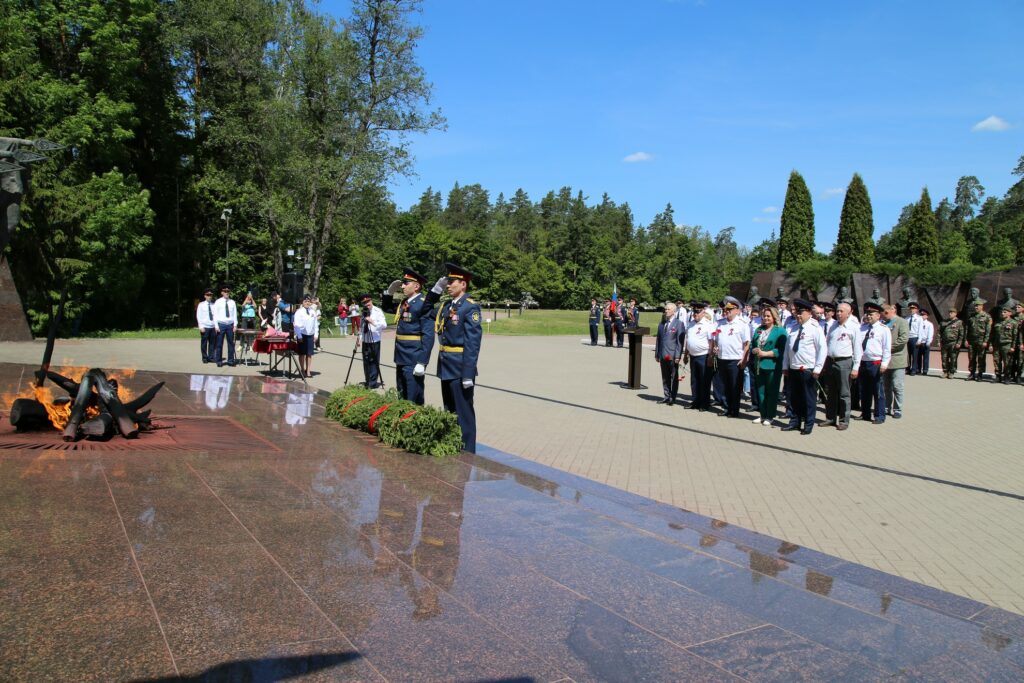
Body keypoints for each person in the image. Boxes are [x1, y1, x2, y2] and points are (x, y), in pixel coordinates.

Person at [435, 263, 482, 453]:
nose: (448, 285)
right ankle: (454, 446)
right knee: (450, 410)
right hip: (446, 364)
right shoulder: (448, 306)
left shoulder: (470, 308)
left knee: (464, 412)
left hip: (460, 367)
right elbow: (426, 309)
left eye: (451, 281)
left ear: (463, 284)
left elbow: (473, 343)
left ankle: (468, 452)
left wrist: (468, 373)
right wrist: (434, 290)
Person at [389, 268, 438, 405]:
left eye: (406, 283)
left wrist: (422, 362)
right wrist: (388, 293)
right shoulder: (405, 302)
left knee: (413, 396)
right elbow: (387, 308)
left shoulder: (423, 304)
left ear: (416, 286)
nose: (403, 286)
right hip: (401, 355)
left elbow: (428, 336)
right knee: (402, 393)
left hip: (413, 357)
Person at [781, 299, 827, 434]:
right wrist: (785, 365)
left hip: (808, 368)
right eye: (797, 312)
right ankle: (794, 421)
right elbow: (787, 349)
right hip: (793, 368)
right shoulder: (793, 327)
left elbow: (822, 350)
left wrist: (818, 368)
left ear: (809, 313)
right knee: (794, 398)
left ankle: (808, 423)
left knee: (808, 398)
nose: (798, 315)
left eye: (801, 312)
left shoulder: (815, 328)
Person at [749, 300, 787, 426]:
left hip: (772, 365)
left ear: (774, 317)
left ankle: (770, 416)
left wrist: (765, 354)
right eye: (764, 316)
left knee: (771, 391)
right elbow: (753, 344)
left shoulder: (779, 331)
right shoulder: (759, 329)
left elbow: (780, 350)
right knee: (760, 391)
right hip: (759, 365)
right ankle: (762, 414)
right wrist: (754, 350)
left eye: (768, 316)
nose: (765, 318)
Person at [712, 296, 750, 418]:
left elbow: (747, 344)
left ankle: (734, 410)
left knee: (735, 387)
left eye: (730, 309)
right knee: (725, 386)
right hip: (722, 358)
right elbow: (716, 339)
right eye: (726, 309)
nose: (727, 311)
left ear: (737, 310)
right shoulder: (720, 323)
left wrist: (744, 359)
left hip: (735, 360)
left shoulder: (742, 324)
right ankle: (727, 408)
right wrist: (715, 347)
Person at [824, 302, 859, 430]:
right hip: (831, 361)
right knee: (831, 392)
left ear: (849, 313)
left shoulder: (854, 327)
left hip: (844, 362)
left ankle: (844, 420)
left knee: (844, 393)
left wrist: (856, 367)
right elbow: (827, 343)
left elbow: (857, 349)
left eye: (841, 311)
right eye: (837, 311)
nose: (838, 313)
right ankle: (830, 418)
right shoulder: (833, 326)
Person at [857, 302, 891, 424]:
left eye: (871, 314)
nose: (869, 316)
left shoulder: (883, 329)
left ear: (878, 315)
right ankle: (865, 413)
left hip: (876, 363)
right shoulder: (862, 328)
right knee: (864, 390)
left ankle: (879, 415)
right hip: (863, 362)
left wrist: (884, 364)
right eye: (867, 313)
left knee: (878, 391)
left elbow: (887, 348)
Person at [683, 302, 714, 410]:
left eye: (697, 311)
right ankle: (695, 401)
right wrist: (686, 354)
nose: (695, 314)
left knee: (704, 381)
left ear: (703, 312)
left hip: (704, 356)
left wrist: (710, 356)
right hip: (692, 356)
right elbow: (688, 340)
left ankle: (704, 404)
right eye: (694, 311)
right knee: (694, 380)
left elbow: (711, 342)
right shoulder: (691, 324)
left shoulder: (708, 324)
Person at [654, 302, 685, 404]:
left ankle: (672, 397)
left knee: (674, 377)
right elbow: (659, 340)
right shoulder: (662, 324)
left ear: (674, 311)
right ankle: (666, 396)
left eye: (668, 309)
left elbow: (679, 342)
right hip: (663, 355)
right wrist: (657, 354)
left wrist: (677, 356)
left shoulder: (679, 324)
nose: (666, 311)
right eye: (665, 309)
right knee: (665, 377)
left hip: (672, 355)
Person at [881, 304, 908, 419]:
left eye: (883, 314)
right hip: (885, 361)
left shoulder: (902, 322)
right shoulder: (883, 324)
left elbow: (903, 338)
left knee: (897, 386)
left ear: (889, 311)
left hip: (897, 359)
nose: (883, 316)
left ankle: (897, 409)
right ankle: (886, 407)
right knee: (886, 386)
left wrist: (888, 347)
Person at [355, 293, 387, 388]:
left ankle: (372, 383)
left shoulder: (378, 311)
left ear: (371, 300)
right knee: (366, 361)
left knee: (374, 361)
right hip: (366, 340)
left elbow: (384, 325)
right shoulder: (363, 313)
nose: (367, 304)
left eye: (368, 301)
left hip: (375, 340)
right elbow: (361, 327)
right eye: (364, 302)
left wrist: (372, 321)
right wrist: (359, 339)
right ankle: (367, 380)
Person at [213, 284, 239, 367]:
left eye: (228, 291)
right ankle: (219, 361)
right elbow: (215, 315)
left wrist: (235, 325)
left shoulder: (232, 302)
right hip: (221, 324)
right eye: (225, 291)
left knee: (230, 343)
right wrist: (216, 326)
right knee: (219, 344)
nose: (226, 292)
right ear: (222, 292)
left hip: (230, 325)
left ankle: (230, 360)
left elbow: (235, 314)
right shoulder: (218, 302)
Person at [991, 305, 1019, 384]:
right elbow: (992, 334)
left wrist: (1013, 347)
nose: (1002, 313)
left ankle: (1007, 377)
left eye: (1004, 312)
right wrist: (990, 344)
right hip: (997, 344)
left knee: (1007, 362)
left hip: (1007, 345)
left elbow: (1015, 336)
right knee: (996, 361)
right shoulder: (997, 321)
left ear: (1009, 313)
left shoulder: (1013, 323)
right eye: (1002, 312)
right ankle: (998, 376)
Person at [965, 299, 991, 381]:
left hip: (981, 340)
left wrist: (985, 341)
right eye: (975, 306)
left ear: (982, 306)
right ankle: (972, 373)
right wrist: (966, 339)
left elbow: (988, 330)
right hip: (972, 340)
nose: (976, 307)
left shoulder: (987, 316)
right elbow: (967, 329)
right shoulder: (971, 316)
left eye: (977, 306)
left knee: (981, 357)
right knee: (971, 357)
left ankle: (980, 374)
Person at [293, 294, 317, 377]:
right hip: (302, 335)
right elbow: (296, 325)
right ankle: (302, 370)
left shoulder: (312, 311)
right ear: (302, 302)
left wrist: (316, 335)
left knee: (309, 354)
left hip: (310, 335)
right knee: (302, 354)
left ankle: (308, 371)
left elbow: (315, 324)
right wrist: (299, 336)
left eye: (309, 301)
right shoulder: (299, 312)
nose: (307, 303)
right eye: (305, 301)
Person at [939, 306, 965, 378]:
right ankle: (945, 371)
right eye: (949, 313)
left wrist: (959, 343)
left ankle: (951, 372)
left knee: (953, 358)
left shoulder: (959, 322)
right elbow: (939, 332)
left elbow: (961, 334)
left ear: (955, 314)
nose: (950, 314)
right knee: (944, 358)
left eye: (952, 313)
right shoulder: (944, 322)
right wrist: (938, 341)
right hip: (944, 343)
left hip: (953, 343)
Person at [196, 287, 216, 363]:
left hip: (212, 327)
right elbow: (198, 316)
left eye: (210, 295)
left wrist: (216, 326)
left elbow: (216, 316)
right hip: (205, 327)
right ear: (205, 296)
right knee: (204, 343)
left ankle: (211, 357)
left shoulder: (214, 305)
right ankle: (204, 357)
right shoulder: (201, 305)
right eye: (208, 295)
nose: (209, 296)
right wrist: (201, 326)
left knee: (212, 343)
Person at [904, 302, 923, 375]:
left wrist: (919, 339)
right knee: (907, 355)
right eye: (910, 308)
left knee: (915, 355)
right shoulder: (907, 318)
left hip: (915, 337)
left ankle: (914, 369)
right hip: (907, 338)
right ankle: (907, 369)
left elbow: (920, 329)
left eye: (913, 308)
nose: (912, 310)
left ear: (917, 310)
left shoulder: (919, 318)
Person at [917, 309, 934, 376]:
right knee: (918, 356)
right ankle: (918, 369)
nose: (922, 316)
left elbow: (930, 333)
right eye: (921, 315)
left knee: (926, 357)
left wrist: (928, 341)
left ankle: (925, 370)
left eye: (924, 315)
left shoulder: (929, 324)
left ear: (927, 316)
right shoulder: (918, 323)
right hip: (919, 342)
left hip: (925, 342)